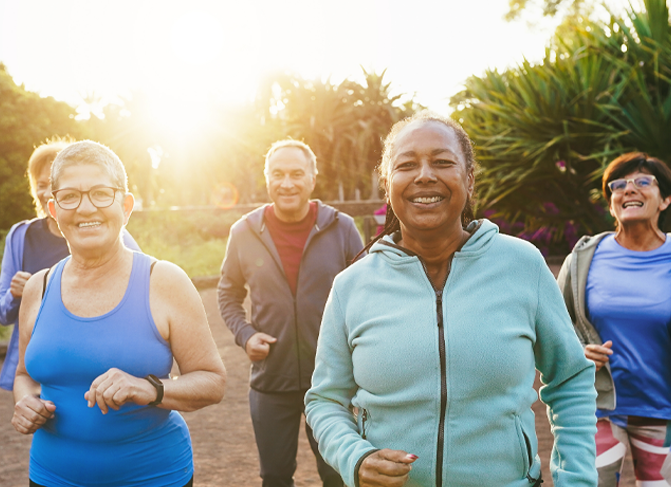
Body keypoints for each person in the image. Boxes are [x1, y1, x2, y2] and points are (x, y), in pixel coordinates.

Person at [305, 112, 598, 487]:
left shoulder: (523, 265)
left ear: (469, 180)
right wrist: (354, 456)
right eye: (407, 165)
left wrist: (577, 480)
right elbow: (324, 400)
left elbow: (570, 378)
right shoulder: (351, 286)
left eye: (442, 162)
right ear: (388, 183)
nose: (424, 175)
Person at [11, 140, 226, 487]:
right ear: (53, 208)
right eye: (69, 196)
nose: (85, 208)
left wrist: (149, 388)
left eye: (101, 193)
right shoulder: (39, 286)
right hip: (51, 476)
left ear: (126, 206)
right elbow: (24, 374)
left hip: (153, 477)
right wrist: (25, 402)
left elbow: (213, 382)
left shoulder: (164, 280)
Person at [556, 152, 671, 487]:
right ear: (611, 202)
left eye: (643, 182)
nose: (629, 190)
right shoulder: (581, 259)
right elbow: (554, 327)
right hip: (595, 405)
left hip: (663, 407)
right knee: (589, 483)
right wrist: (578, 352)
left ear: (665, 199)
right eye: (618, 185)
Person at [218, 139, 363, 487]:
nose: (287, 183)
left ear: (313, 178)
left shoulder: (341, 228)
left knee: (337, 474)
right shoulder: (244, 232)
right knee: (276, 477)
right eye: (278, 174)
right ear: (267, 178)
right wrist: (246, 334)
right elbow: (228, 293)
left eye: (297, 174)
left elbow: (367, 295)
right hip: (271, 381)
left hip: (332, 381)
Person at [0, 138, 140, 392]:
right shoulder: (21, 236)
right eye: (40, 185)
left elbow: (139, 293)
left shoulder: (111, 232)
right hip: (41, 367)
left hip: (99, 365)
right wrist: (15, 294)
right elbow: (4, 314)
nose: (44, 192)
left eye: (52, 184)